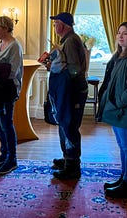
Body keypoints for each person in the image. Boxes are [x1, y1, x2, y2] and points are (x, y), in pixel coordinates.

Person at [97, 21, 127, 199]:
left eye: (124, 33)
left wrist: (116, 102)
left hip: (126, 111)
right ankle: (123, 179)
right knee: (123, 147)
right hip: (119, 111)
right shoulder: (120, 55)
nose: (120, 36)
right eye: (119, 33)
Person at [47, 12, 88, 180]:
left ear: (63, 25)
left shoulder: (70, 41)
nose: (54, 26)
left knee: (69, 126)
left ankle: (72, 166)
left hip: (72, 92)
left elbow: (74, 69)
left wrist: (56, 67)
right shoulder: (68, 40)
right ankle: (67, 158)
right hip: (68, 91)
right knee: (64, 124)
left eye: (56, 23)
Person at [0, 16, 23, 175]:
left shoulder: (14, 46)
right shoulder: (1, 44)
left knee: (6, 124)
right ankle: (4, 153)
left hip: (7, 89)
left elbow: (12, 71)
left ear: (6, 28)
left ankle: (12, 158)